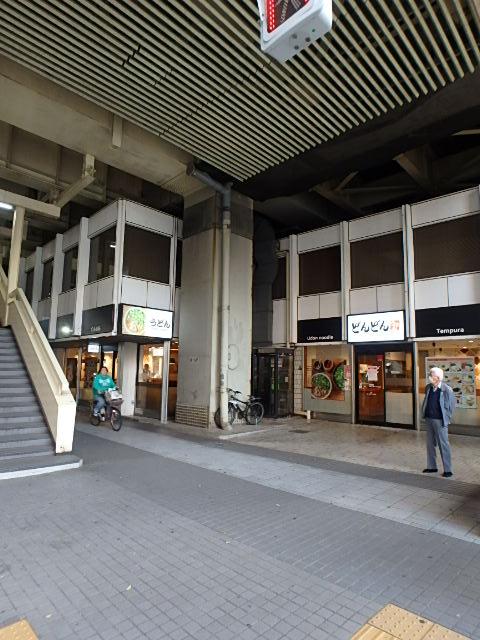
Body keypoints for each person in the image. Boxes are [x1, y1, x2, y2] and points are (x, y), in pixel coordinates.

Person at [421, 366, 456, 478]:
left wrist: (446, 418)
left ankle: (448, 470)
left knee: (443, 444)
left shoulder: (446, 389)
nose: (430, 377)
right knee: (430, 444)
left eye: (432, 375)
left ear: (438, 377)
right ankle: (432, 467)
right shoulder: (428, 387)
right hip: (429, 419)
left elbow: (451, 407)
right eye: (430, 375)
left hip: (440, 421)